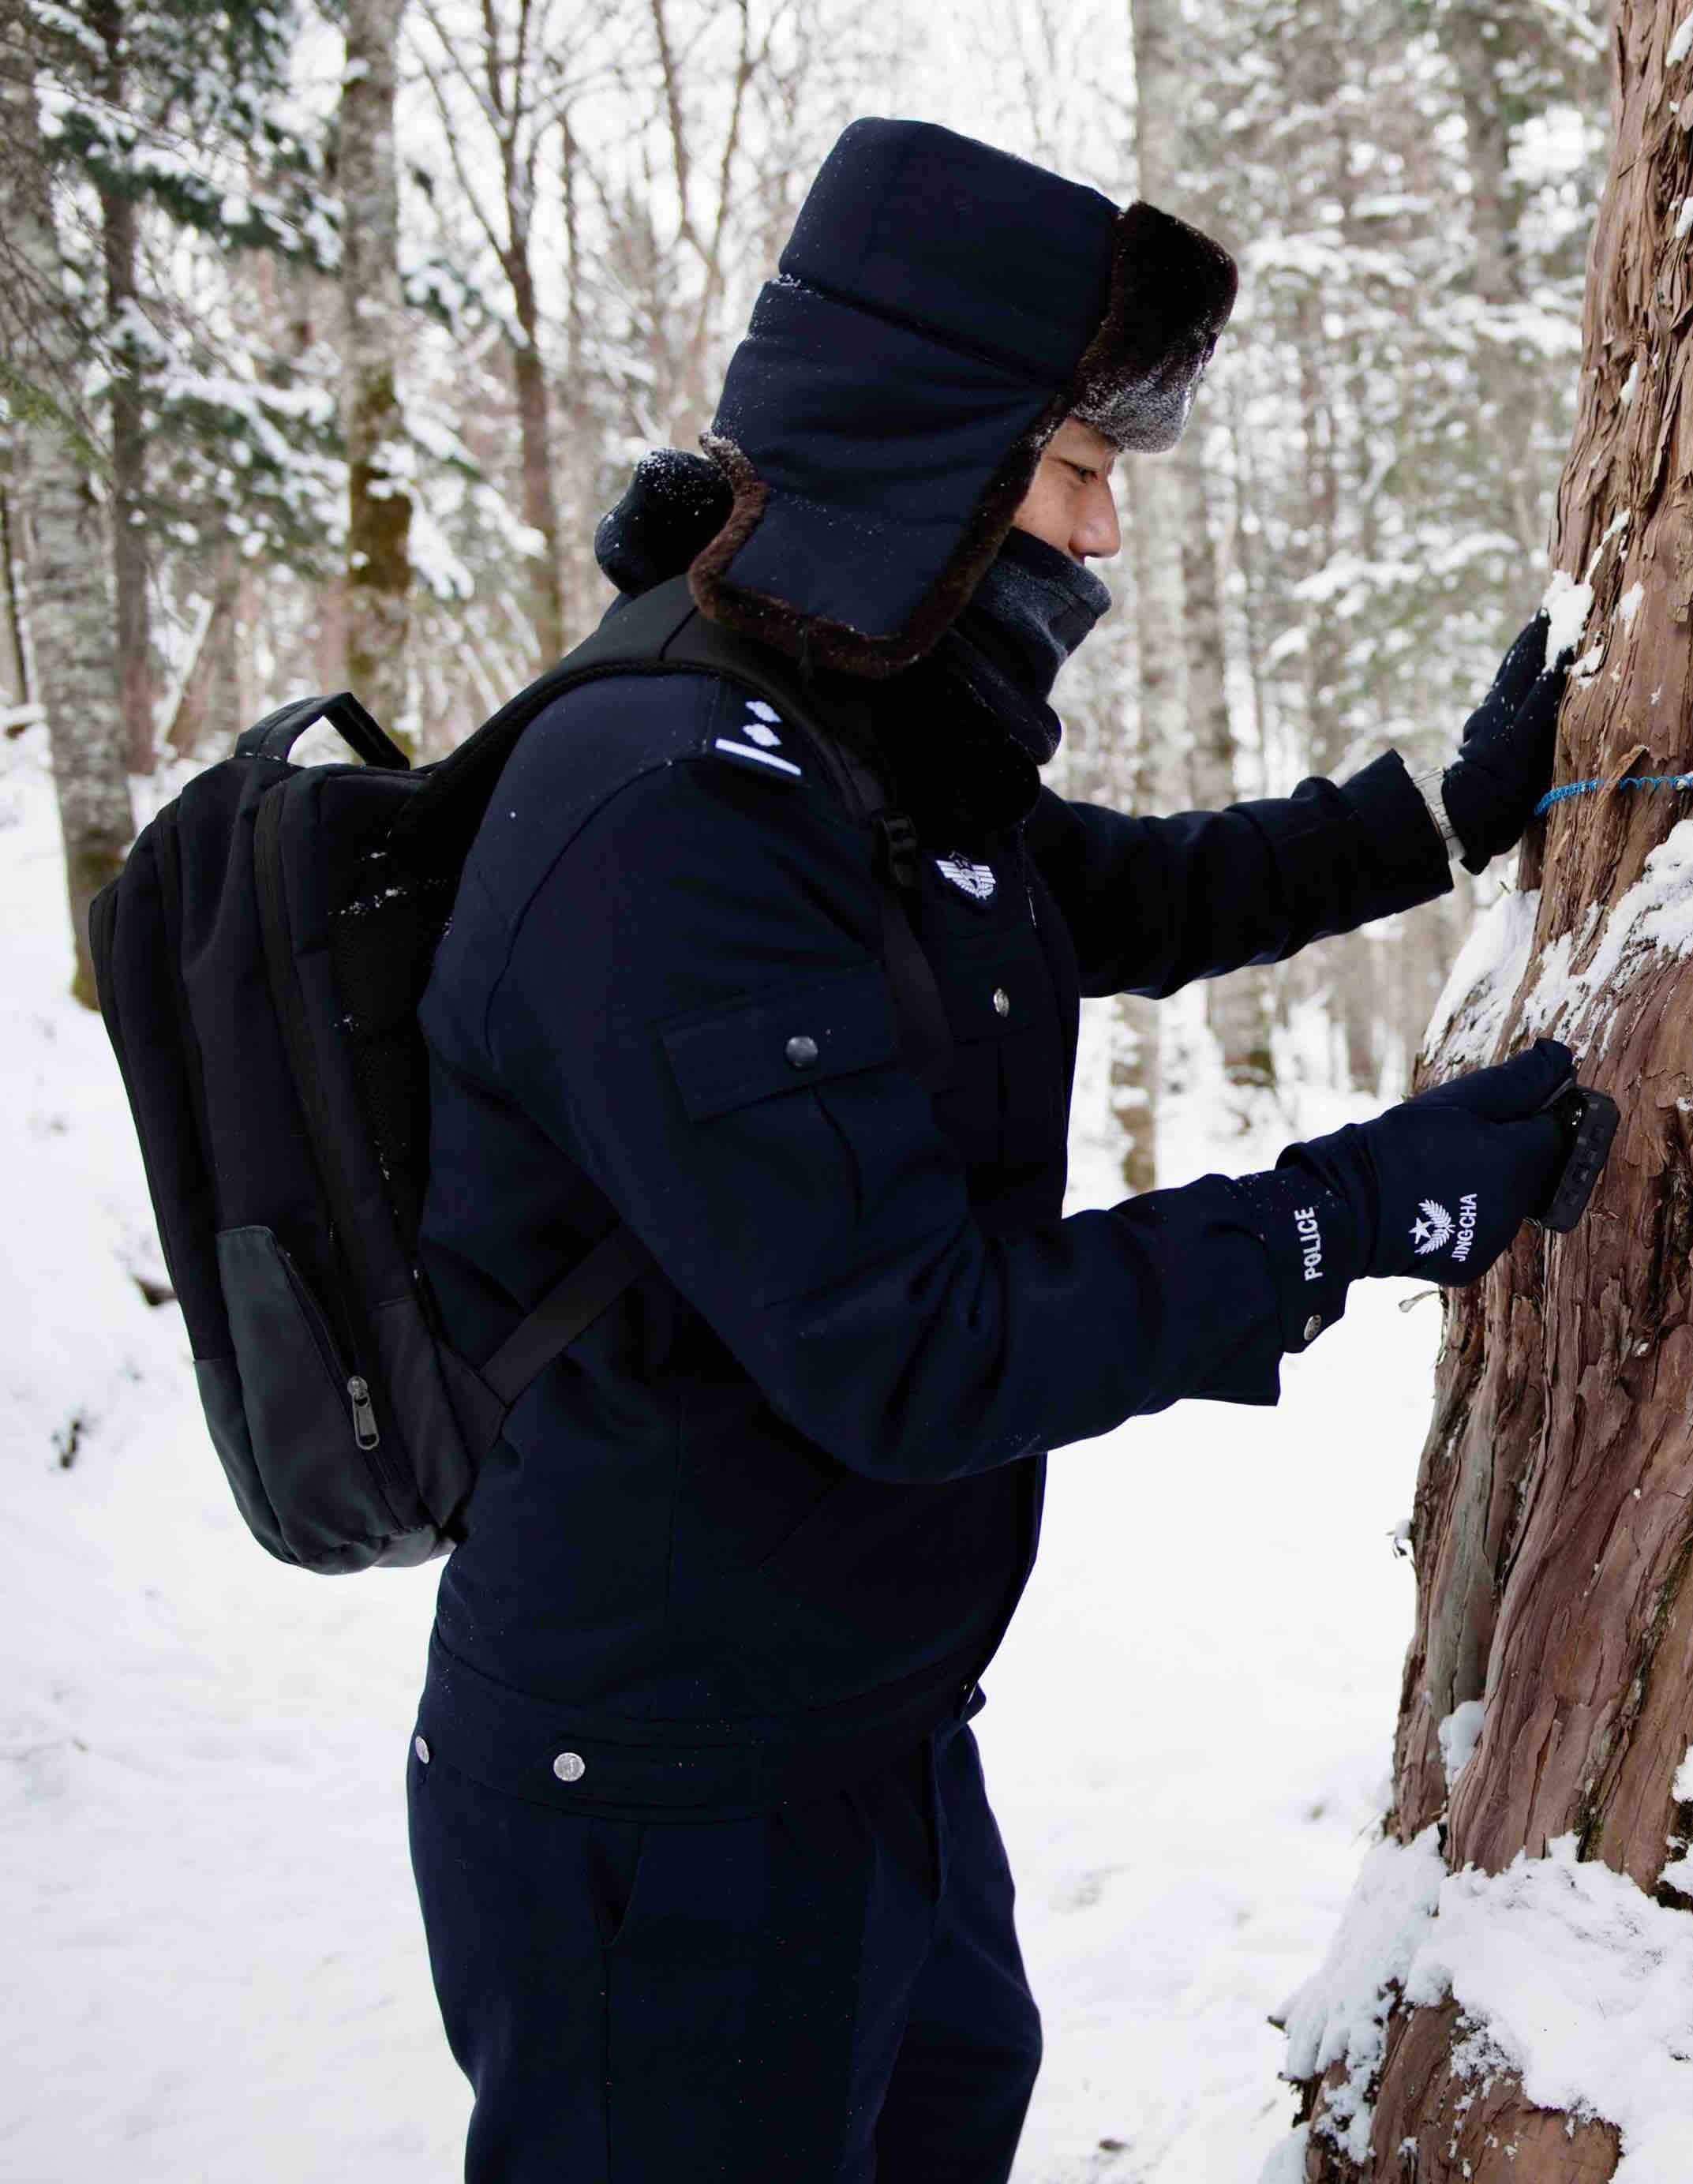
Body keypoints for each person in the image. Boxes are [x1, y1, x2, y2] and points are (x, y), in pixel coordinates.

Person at [404, 118, 1584, 2181]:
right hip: (664, 1789)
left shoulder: (837, 743)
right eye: (1076, 469)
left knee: (951, 2106)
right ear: (925, 451)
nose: (1102, 537)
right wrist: (1351, 1210)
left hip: (854, 1723)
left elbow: (1083, 897)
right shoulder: (671, 808)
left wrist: (1442, 818)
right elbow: (918, 1349)